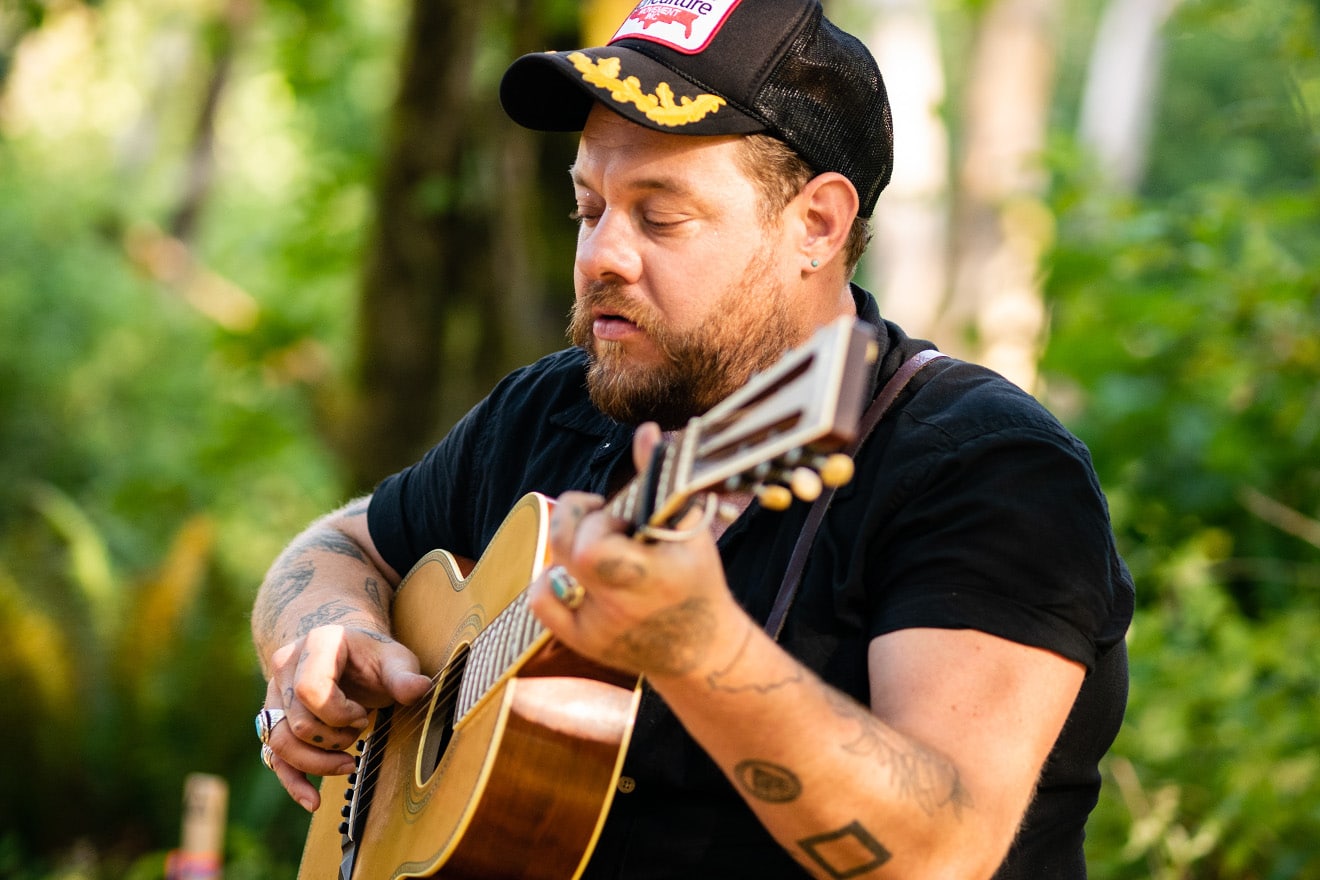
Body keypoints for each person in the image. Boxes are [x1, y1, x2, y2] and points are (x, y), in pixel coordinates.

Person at [250, 1, 1134, 878]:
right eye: (587, 209)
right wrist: (324, 632)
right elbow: (339, 542)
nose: (602, 255)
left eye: (659, 216)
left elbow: (943, 855)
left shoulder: (985, 470)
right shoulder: (553, 408)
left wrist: (703, 653)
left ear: (817, 226)